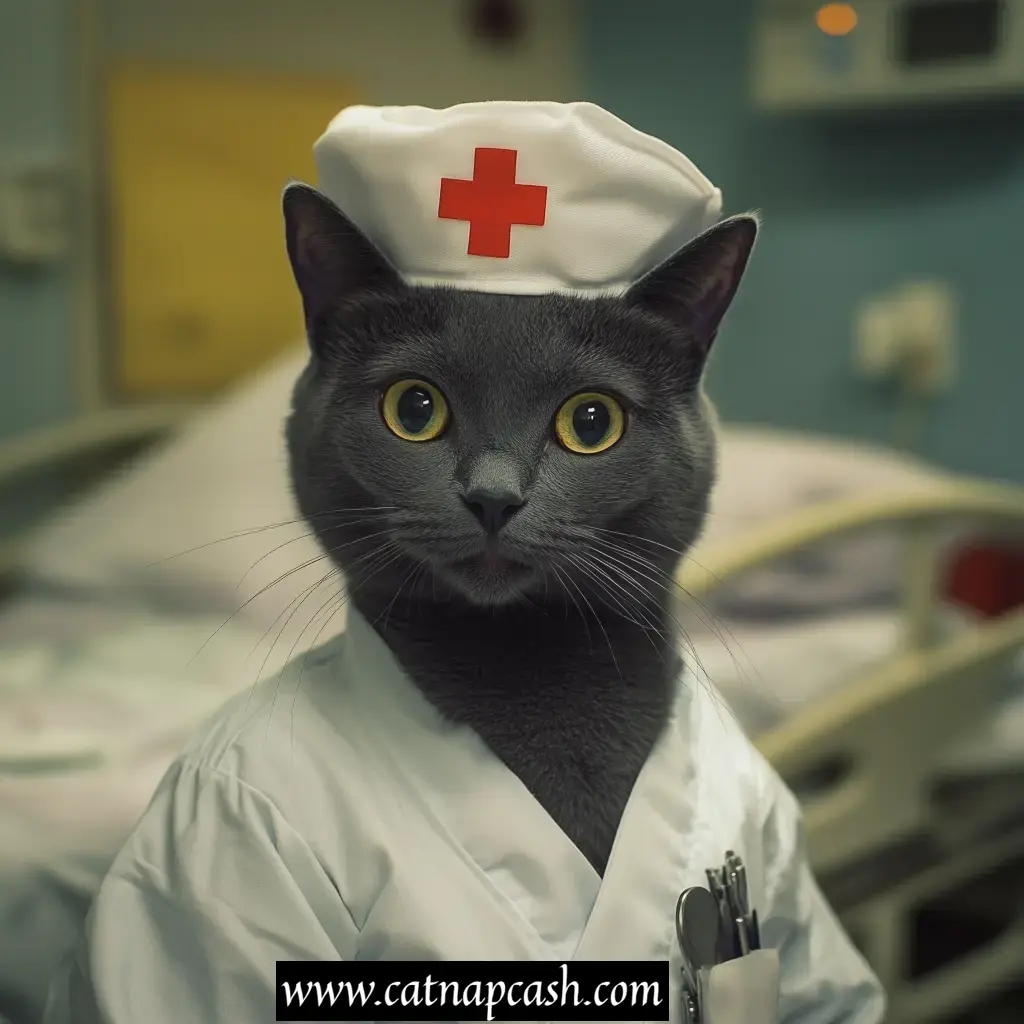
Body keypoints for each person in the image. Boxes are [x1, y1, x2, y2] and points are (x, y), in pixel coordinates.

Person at [45, 101, 884, 1024]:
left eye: (587, 421)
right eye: (416, 409)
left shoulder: (725, 776)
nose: (492, 485)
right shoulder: (253, 805)